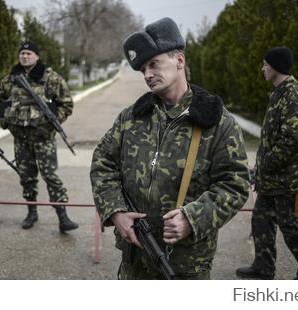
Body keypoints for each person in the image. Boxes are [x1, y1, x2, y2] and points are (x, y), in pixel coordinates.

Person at [90, 17, 250, 280]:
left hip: (185, 264)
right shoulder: (131, 118)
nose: (148, 74)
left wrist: (192, 219)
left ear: (179, 60)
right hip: (134, 260)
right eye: (143, 70)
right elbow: (102, 164)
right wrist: (115, 211)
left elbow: (235, 184)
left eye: (154, 64)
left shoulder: (217, 122)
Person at [236, 47, 298, 280]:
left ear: (274, 67)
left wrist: (268, 164)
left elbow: (294, 140)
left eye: (265, 64)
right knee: (261, 221)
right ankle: (263, 267)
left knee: (293, 227)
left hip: (286, 180)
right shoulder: (279, 93)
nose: (263, 69)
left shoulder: (292, 95)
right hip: (271, 180)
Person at [0, 41, 78, 232]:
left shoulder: (50, 78)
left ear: (37, 56)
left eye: (29, 53)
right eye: (22, 53)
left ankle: (63, 216)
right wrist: (7, 121)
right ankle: (31, 212)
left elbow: (66, 104)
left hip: (43, 138)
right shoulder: (10, 79)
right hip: (21, 139)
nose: (25, 56)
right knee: (26, 177)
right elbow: (0, 103)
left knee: (50, 176)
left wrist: (49, 124)